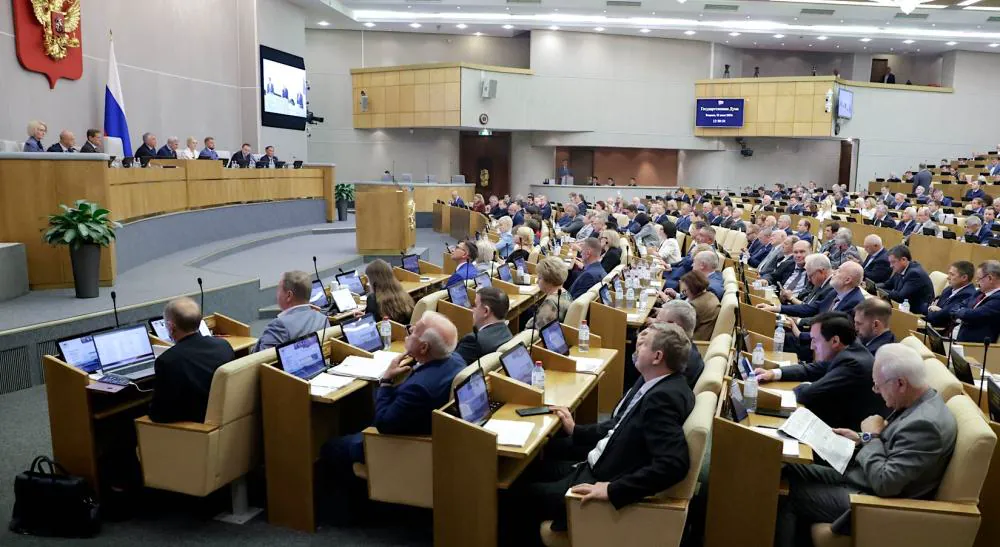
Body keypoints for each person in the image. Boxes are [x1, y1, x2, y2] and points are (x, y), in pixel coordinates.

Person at [511, 323, 694, 540]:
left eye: (644, 345)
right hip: (594, 465)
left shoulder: (662, 399)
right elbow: (619, 427)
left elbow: (674, 464)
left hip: (595, 484)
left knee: (512, 496)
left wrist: (612, 490)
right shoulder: (667, 385)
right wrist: (576, 431)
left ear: (657, 357)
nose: (637, 347)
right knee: (529, 469)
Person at [774, 343, 957, 547]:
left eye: (878, 386)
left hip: (873, 502)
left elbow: (885, 483)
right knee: (785, 470)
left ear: (900, 383)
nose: (876, 392)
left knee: (786, 493)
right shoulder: (918, 401)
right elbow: (892, 445)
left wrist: (872, 437)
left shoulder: (926, 425)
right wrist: (862, 438)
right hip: (861, 476)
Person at [320, 312, 465, 504]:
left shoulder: (418, 388)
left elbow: (383, 424)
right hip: (422, 430)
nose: (409, 330)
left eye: (414, 330)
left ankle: (344, 510)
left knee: (331, 448)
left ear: (424, 347)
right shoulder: (455, 360)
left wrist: (386, 380)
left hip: (399, 446)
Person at [755, 311, 884, 429]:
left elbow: (807, 395)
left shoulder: (852, 363)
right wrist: (774, 373)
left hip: (849, 434)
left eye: (815, 341)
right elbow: (813, 369)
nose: (812, 346)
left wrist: (805, 385)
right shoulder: (850, 348)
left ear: (835, 341)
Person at [149, 297, 235, 423]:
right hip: (227, 417)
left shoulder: (167, 360)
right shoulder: (223, 345)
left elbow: (159, 415)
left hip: (195, 426)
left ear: (171, 327)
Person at [255, 271, 330, 352]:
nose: (276, 295)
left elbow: (261, 357)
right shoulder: (323, 319)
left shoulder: (279, 326)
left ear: (289, 295)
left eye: (278, 290)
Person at [653, 300, 704, 388]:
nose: (653, 326)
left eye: (658, 323)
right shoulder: (688, 350)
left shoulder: (673, 361)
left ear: (673, 326)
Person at [456, 287, 514, 364]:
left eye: (475, 305)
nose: (472, 309)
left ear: (486, 311)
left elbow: (452, 366)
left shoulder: (473, 341)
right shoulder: (506, 331)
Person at [951, 260, 1000, 343]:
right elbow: (957, 305)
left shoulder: (998, 299)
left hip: (974, 346)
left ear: (990, 278)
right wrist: (961, 312)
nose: (977, 283)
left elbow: (972, 315)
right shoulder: (979, 292)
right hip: (958, 339)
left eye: (979, 279)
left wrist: (960, 312)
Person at [879, 245, 935, 314]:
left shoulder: (914, 274)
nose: (891, 266)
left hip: (916, 312)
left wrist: (879, 290)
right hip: (903, 307)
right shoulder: (901, 268)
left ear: (904, 259)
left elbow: (900, 297)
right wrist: (873, 286)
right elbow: (887, 285)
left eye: (893, 262)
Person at [925, 261, 977, 331]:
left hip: (940, 331)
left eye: (952, 275)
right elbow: (936, 309)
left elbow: (939, 317)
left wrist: (937, 311)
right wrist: (938, 311)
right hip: (930, 324)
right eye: (948, 273)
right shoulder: (949, 288)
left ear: (964, 277)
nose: (948, 277)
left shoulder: (967, 294)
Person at [361, 259, 415, 325]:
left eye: (369, 279)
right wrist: (366, 315)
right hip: (403, 329)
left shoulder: (372, 299)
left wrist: (363, 319)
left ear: (373, 281)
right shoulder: (403, 294)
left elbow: (371, 323)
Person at [526, 257, 573, 329]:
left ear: (549, 280)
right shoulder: (566, 293)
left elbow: (538, 329)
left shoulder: (550, 302)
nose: (537, 281)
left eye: (539, 278)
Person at [680, 270, 719, 341]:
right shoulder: (710, 295)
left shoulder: (694, 306)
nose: (684, 294)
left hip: (691, 342)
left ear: (693, 289)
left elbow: (680, 327)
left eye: (685, 291)